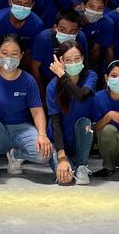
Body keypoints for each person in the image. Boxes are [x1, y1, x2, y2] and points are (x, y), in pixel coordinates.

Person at [0, 35, 53, 184]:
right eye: (4, 53)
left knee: (44, 154)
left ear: (21, 55)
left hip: (20, 128)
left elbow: (37, 111)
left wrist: (42, 134)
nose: (9, 58)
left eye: (14, 54)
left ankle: (16, 154)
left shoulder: (28, 80)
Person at [45, 40, 100, 185]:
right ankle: (67, 161)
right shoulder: (52, 87)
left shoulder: (91, 76)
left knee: (85, 122)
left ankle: (81, 165)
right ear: (60, 61)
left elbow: (80, 96)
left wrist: (62, 75)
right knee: (66, 178)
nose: (73, 63)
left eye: (77, 59)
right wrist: (62, 158)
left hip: (81, 136)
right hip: (59, 141)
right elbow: (56, 123)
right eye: (68, 60)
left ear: (83, 58)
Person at [31, 8, 90, 84]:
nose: (67, 34)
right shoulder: (44, 39)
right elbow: (34, 67)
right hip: (48, 81)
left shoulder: (81, 38)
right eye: (62, 30)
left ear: (78, 31)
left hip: (73, 81)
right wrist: (41, 90)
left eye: (72, 32)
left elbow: (85, 63)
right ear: (55, 27)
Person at [77, 0, 116, 64]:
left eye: (99, 8)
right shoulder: (73, 19)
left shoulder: (107, 23)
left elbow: (96, 50)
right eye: (91, 7)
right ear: (83, 6)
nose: (95, 11)